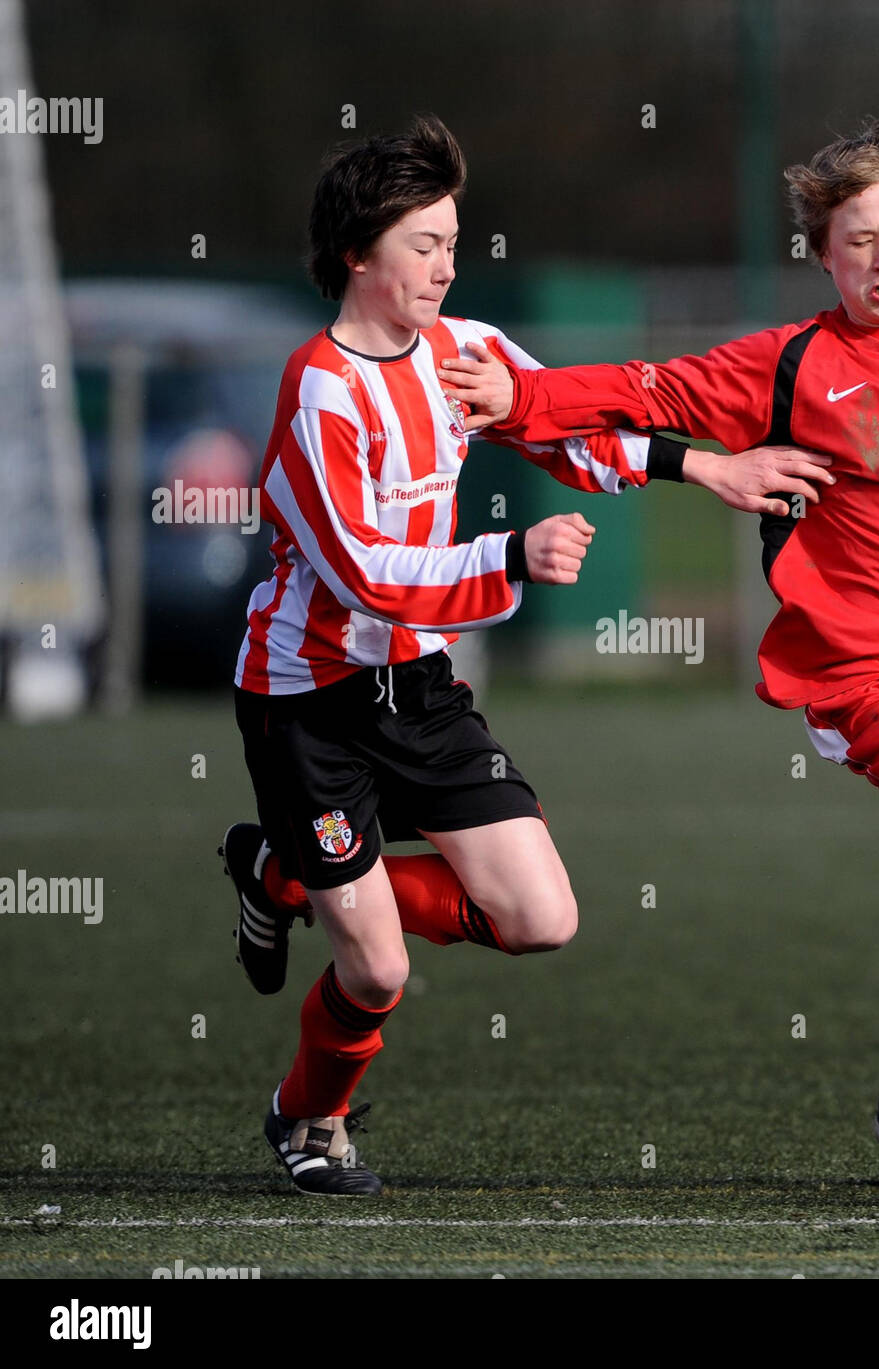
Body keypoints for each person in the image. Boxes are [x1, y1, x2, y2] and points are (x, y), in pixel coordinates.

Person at [441, 119, 879, 1157]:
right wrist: (526, 396)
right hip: (861, 669)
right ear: (823, 253)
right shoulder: (793, 364)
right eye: (857, 240)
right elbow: (653, 389)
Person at [219, 114, 834, 1196]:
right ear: (359, 253)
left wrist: (714, 471)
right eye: (424, 244)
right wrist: (510, 552)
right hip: (307, 700)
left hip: (416, 687)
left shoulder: (466, 352)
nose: (448, 265)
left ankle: (282, 872)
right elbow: (364, 570)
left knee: (540, 918)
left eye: (455, 241)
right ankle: (309, 1118)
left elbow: (573, 435)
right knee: (376, 968)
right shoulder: (320, 392)